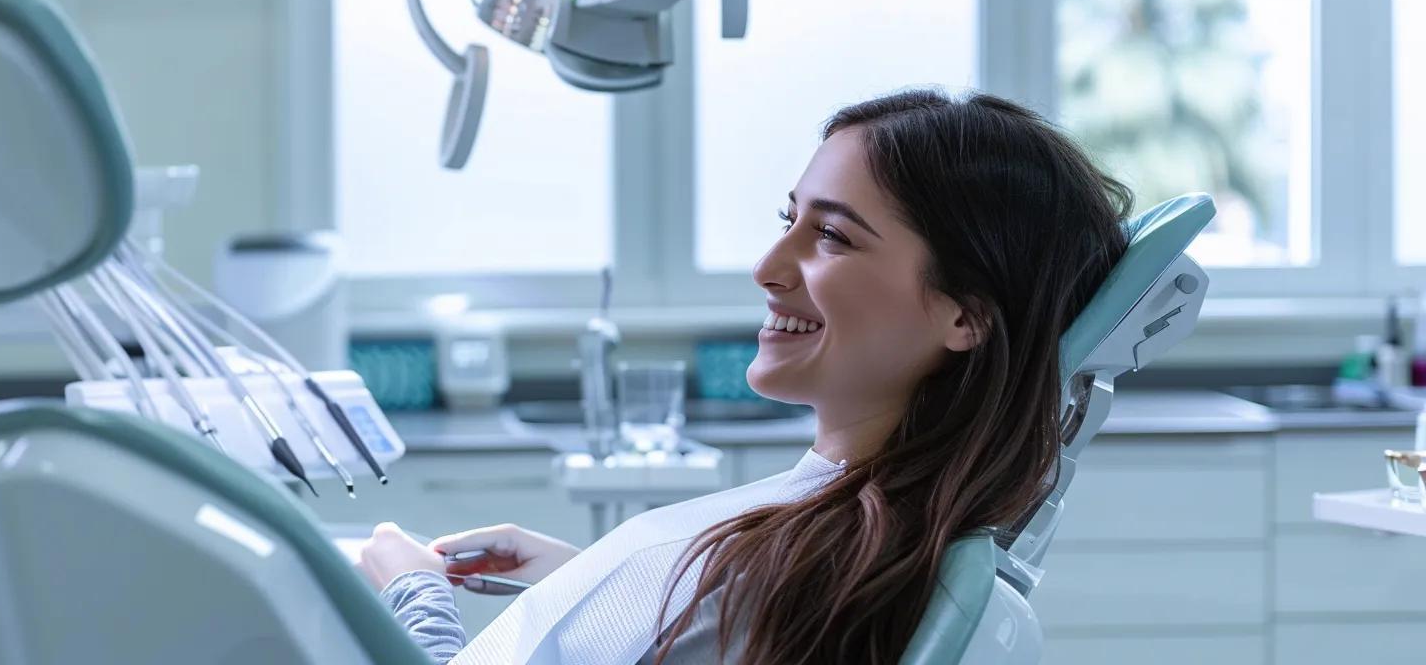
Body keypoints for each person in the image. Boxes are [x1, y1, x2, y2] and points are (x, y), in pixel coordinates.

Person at [354, 88, 1134, 664]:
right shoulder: (854, 538)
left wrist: (411, 596)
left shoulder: (789, 576)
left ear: (966, 314)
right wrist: (592, 580)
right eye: (787, 221)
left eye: (830, 236)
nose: (768, 268)